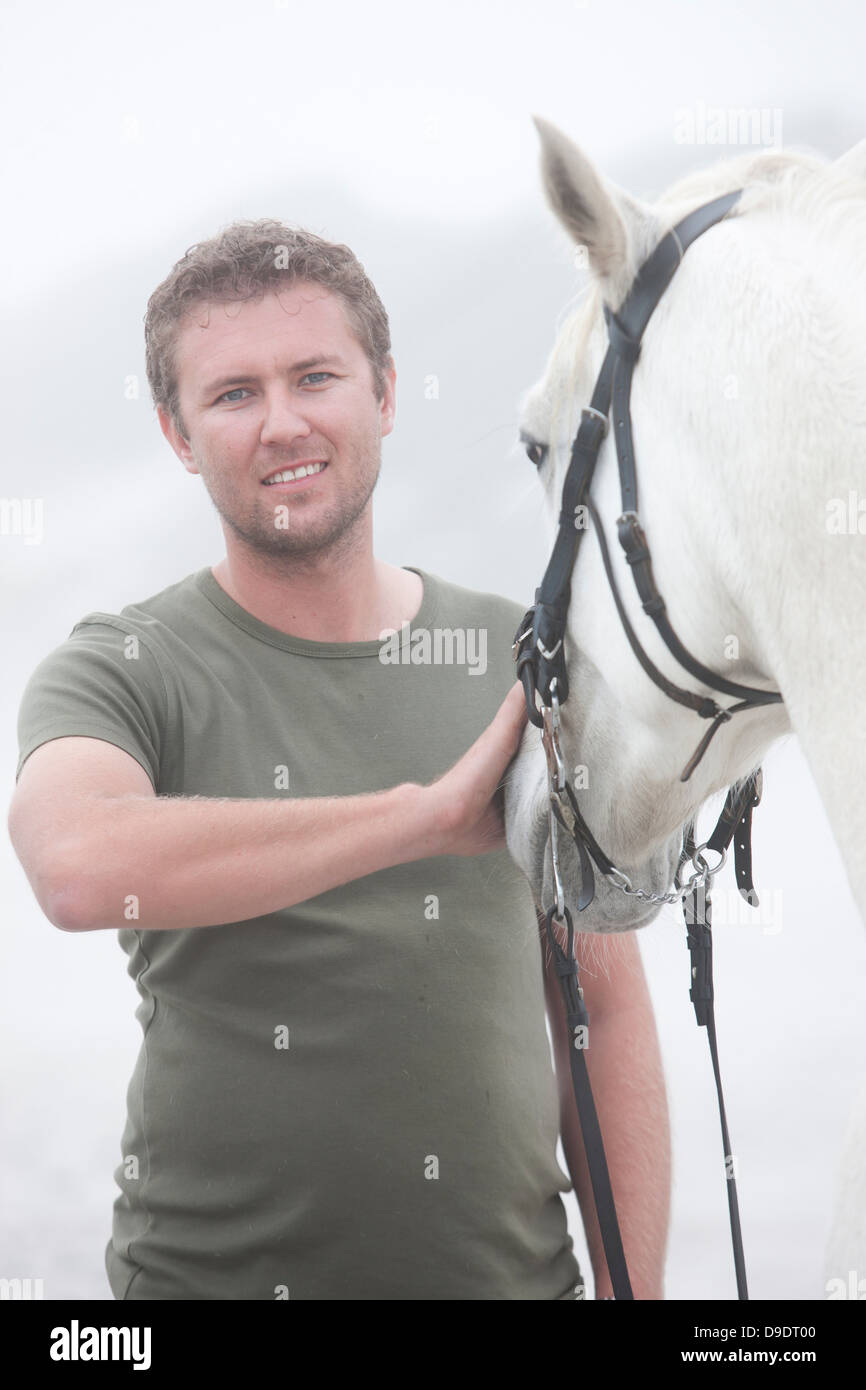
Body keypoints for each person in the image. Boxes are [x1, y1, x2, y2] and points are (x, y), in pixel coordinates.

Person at [8, 220, 670, 1300]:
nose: (281, 423)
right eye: (231, 395)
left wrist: (634, 1298)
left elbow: (602, 1008)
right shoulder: (123, 667)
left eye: (315, 376)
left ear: (386, 394)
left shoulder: (523, 656)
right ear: (177, 434)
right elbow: (77, 867)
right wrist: (421, 818)